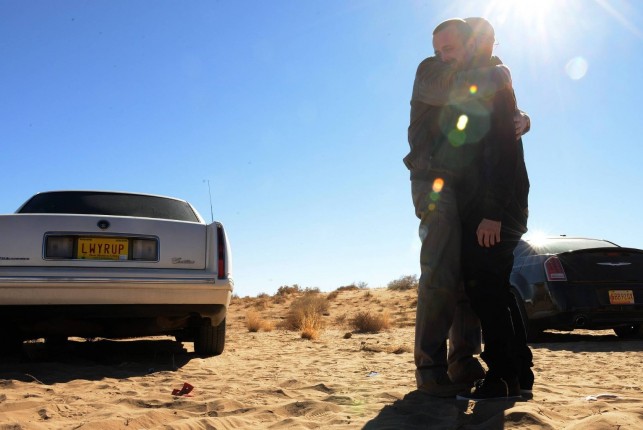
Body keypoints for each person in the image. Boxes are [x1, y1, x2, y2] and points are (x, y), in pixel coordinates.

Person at [404, 18, 531, 397]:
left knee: (469, 278)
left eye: (450, 48)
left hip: (466, 188)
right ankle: (430, 368)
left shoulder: (480, 74)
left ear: (469, 45)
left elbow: (498, 123)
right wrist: (502, 74)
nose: (442, 55)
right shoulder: (430, 72)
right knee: (441, 272)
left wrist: (524, 117)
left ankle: (464, 361)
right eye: (437, 49)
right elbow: (460, 90)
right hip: (433, 184)